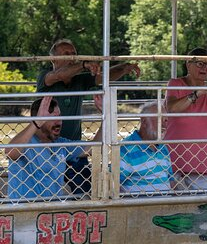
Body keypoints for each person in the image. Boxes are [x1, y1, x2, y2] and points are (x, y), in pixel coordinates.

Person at [37, 38, 141, 195]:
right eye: (66, 54)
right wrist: (85, 64)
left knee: (85, 192)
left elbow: (104, 76)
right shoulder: (45, 76)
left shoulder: (80, 80)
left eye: (74, 54)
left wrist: (125, 67)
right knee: (49, 193)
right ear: (53, 59)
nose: (72, 57)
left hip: (74, 151)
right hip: (48, 150)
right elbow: (58, 75)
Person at [5, 96, 101, 201]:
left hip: (52, 211)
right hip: (25, 211)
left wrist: (105, 116)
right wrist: (36, 123)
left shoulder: (60, 144)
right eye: (52, 118)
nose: (59, 122)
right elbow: (10, 152)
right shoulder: (25, 141)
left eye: (59, 116)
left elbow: (94, 148)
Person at [165, 47, 207, 191]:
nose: (205, 68)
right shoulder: (175, 83)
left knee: (201, 206)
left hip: (201, 163)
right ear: (188, 64)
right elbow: (172, 108)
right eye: (200, 63)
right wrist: (197, 93)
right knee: (170, 205)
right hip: (172, 161)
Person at [119, 101, 172, 194]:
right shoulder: (126, 148)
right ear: (144, 122)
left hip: (165, 205)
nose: (164, 125)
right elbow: (114, 184)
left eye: (166, 120)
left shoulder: (163, 147)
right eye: (159, 120)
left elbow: (171, 180)